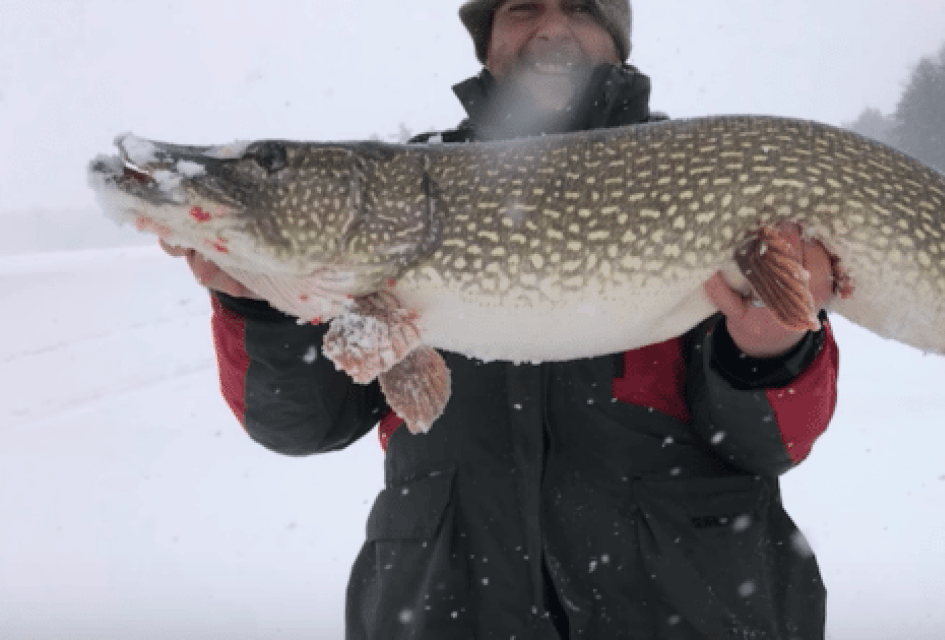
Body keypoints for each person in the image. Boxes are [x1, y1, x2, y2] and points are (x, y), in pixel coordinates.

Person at [162, 1, 842, 638]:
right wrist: (260, 300)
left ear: (617, 38)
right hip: (443, 605)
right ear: (488, 42)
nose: (551, 30)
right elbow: (301, 423)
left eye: (578, 7)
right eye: (522, 8)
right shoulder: (394, 199)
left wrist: (767, 353)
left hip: (688, 609)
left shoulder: (705, 182)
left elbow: (769, 445)